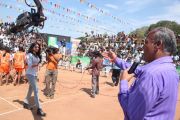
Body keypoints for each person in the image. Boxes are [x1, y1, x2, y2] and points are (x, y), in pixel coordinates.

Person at [103, 27, 179, 120]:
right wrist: (115, 59)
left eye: (146, 42)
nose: (143, 46)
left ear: (158, 44)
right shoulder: (170, 69)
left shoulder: (151, 75)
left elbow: (132, 114)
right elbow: (138, 70)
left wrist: (123, 83)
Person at [23, 42, 46, 116]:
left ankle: (25, 102)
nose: (37, 48)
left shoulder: (36, 55)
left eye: (38, 47)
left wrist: (41, 65)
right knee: (36, 90)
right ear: (32, 47)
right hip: (30, 74)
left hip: (34, 74)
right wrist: (39, 64)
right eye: (36, 47)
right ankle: (39, 108)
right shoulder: (29, 55)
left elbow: (36, 66)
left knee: (31, 89)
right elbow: (29, 65)